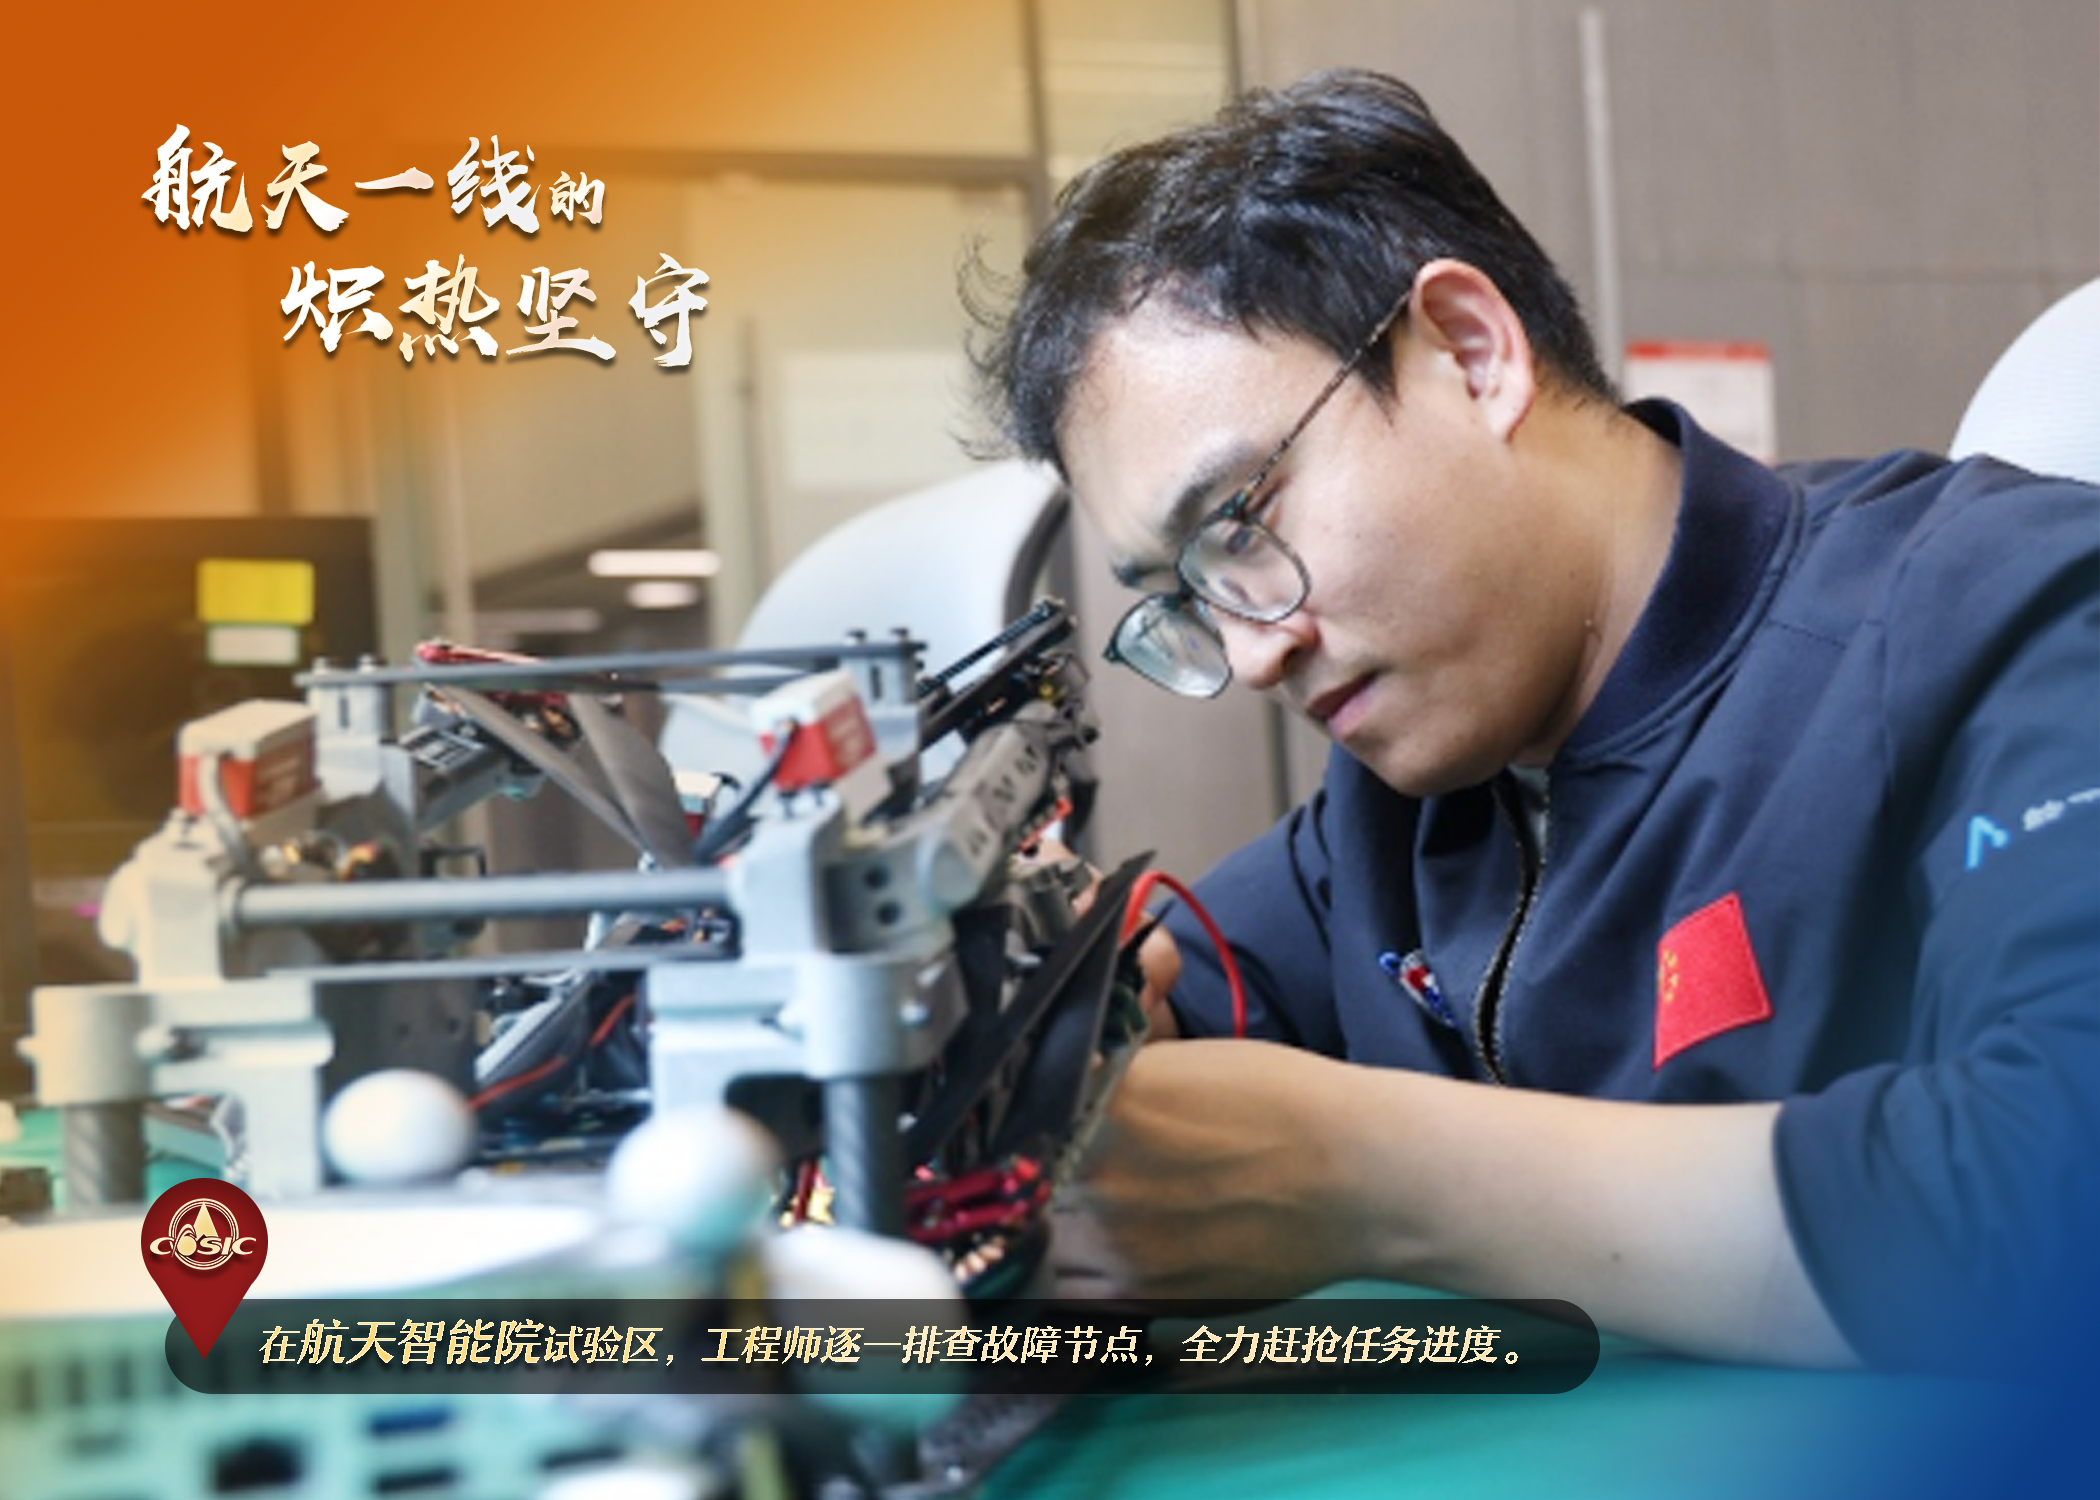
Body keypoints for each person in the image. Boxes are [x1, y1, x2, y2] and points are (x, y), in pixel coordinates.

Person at [970, 69, 2100, 1374]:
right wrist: (1056, 1026)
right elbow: (1176, 1007)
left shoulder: (2002, 613)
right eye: (1183, 597)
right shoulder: (1398, 815)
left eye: (1239, 525)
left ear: (1470, 350)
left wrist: (1370, 1178)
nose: (1250, 650)